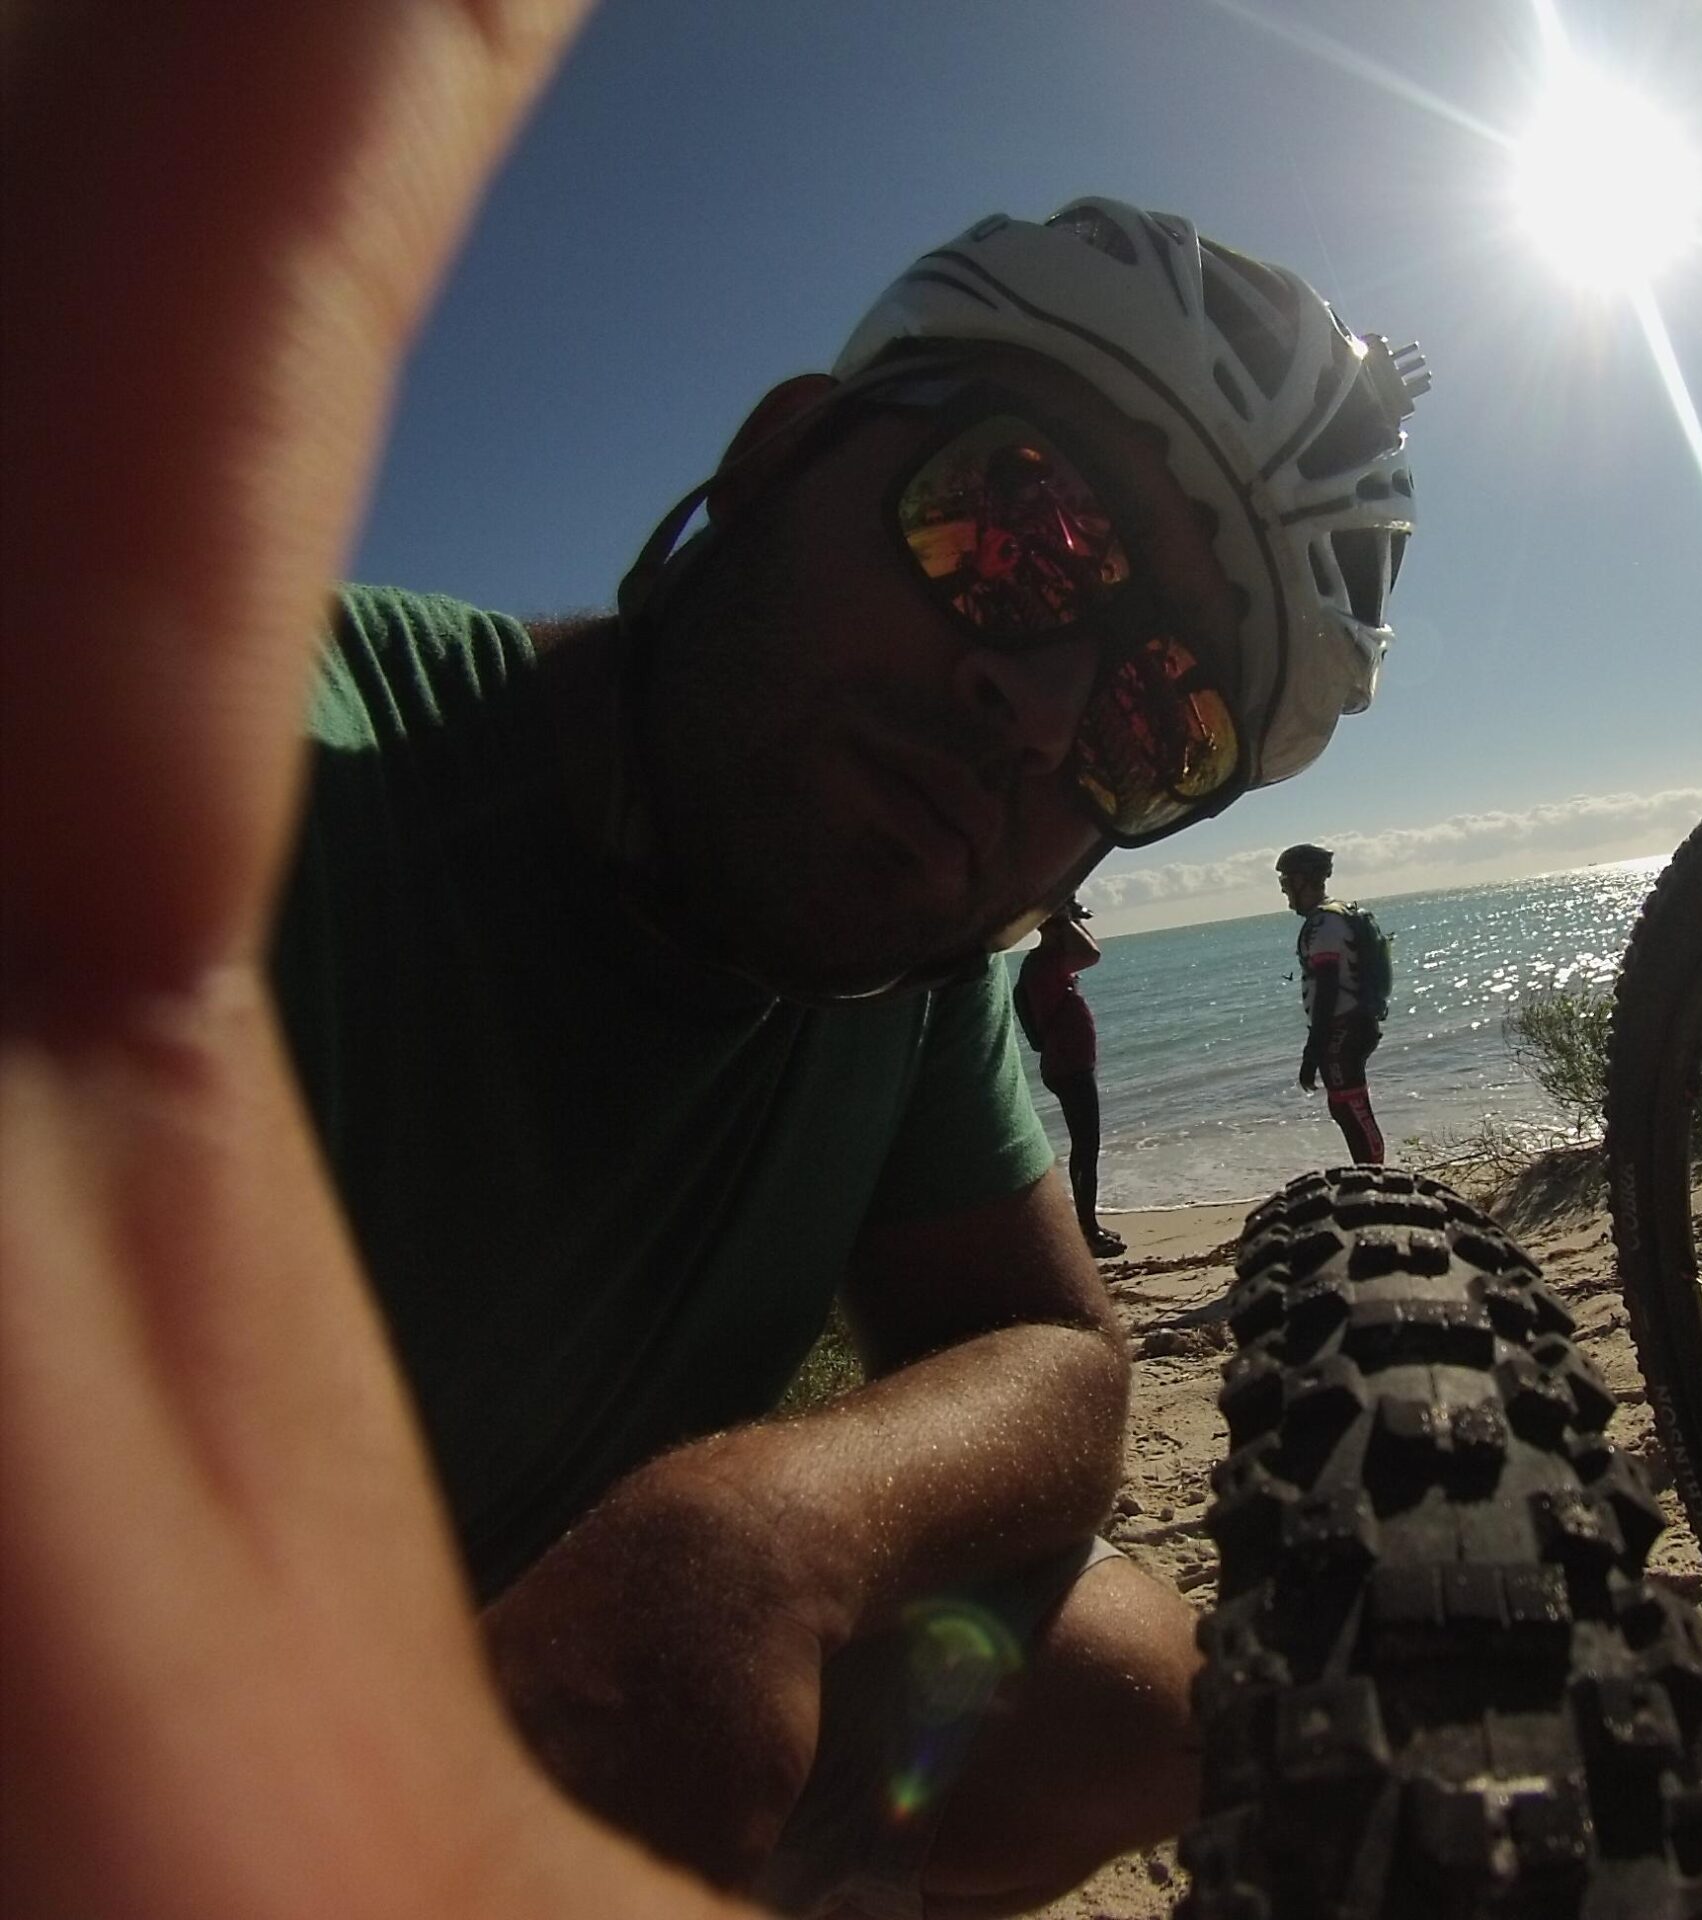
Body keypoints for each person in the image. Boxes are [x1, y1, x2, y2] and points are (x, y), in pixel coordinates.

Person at [0, 13, 1429, 1913]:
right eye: (1017, 531)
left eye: (1160, 728)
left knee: (1123, 1684)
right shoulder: (268, 778)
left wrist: (766, 1537)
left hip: (543, 1734)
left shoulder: (901, 978)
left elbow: (1059, 1365)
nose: (1043, 706)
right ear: (776, 458)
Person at [1014, 901, 1124, 1259]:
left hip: (1069, 1065)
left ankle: (1088, 1225)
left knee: (1085, 1147)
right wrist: (1061, 916)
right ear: (1054, 929)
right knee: (1086, 1148)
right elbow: (1091, 953)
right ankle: (1088, 1232)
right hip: (1068, 1067)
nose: (1078, 928)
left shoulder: (1043, 964)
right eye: (1071, 925)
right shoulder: (1045, 964)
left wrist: (1067, 916)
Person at [1276, 843, 1389, 1165]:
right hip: (1354, 1023)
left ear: (1302, 881)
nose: (1284, 894)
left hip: (1344, 1027)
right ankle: (1372, 1174)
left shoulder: (1324, 925)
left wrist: (1313, 1049)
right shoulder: (1336, 916)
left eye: (1286, 884)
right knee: (1347, 1106)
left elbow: (1326, 988)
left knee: (1350, 1107)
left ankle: (1375, 1179)